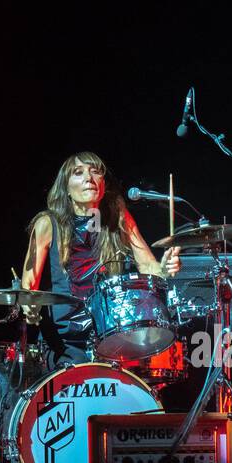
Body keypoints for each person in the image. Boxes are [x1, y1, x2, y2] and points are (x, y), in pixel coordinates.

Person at [21, 152, 180, 367]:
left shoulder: (117, 217)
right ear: (66, 188)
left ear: (103, 184)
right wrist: (29, 306)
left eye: (96, 172)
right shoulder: (48, 223)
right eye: (79, 173)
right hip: (65, 340)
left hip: (110, 333)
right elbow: (28, 283)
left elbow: (148, 266)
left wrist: (164, 268)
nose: (89, 177)